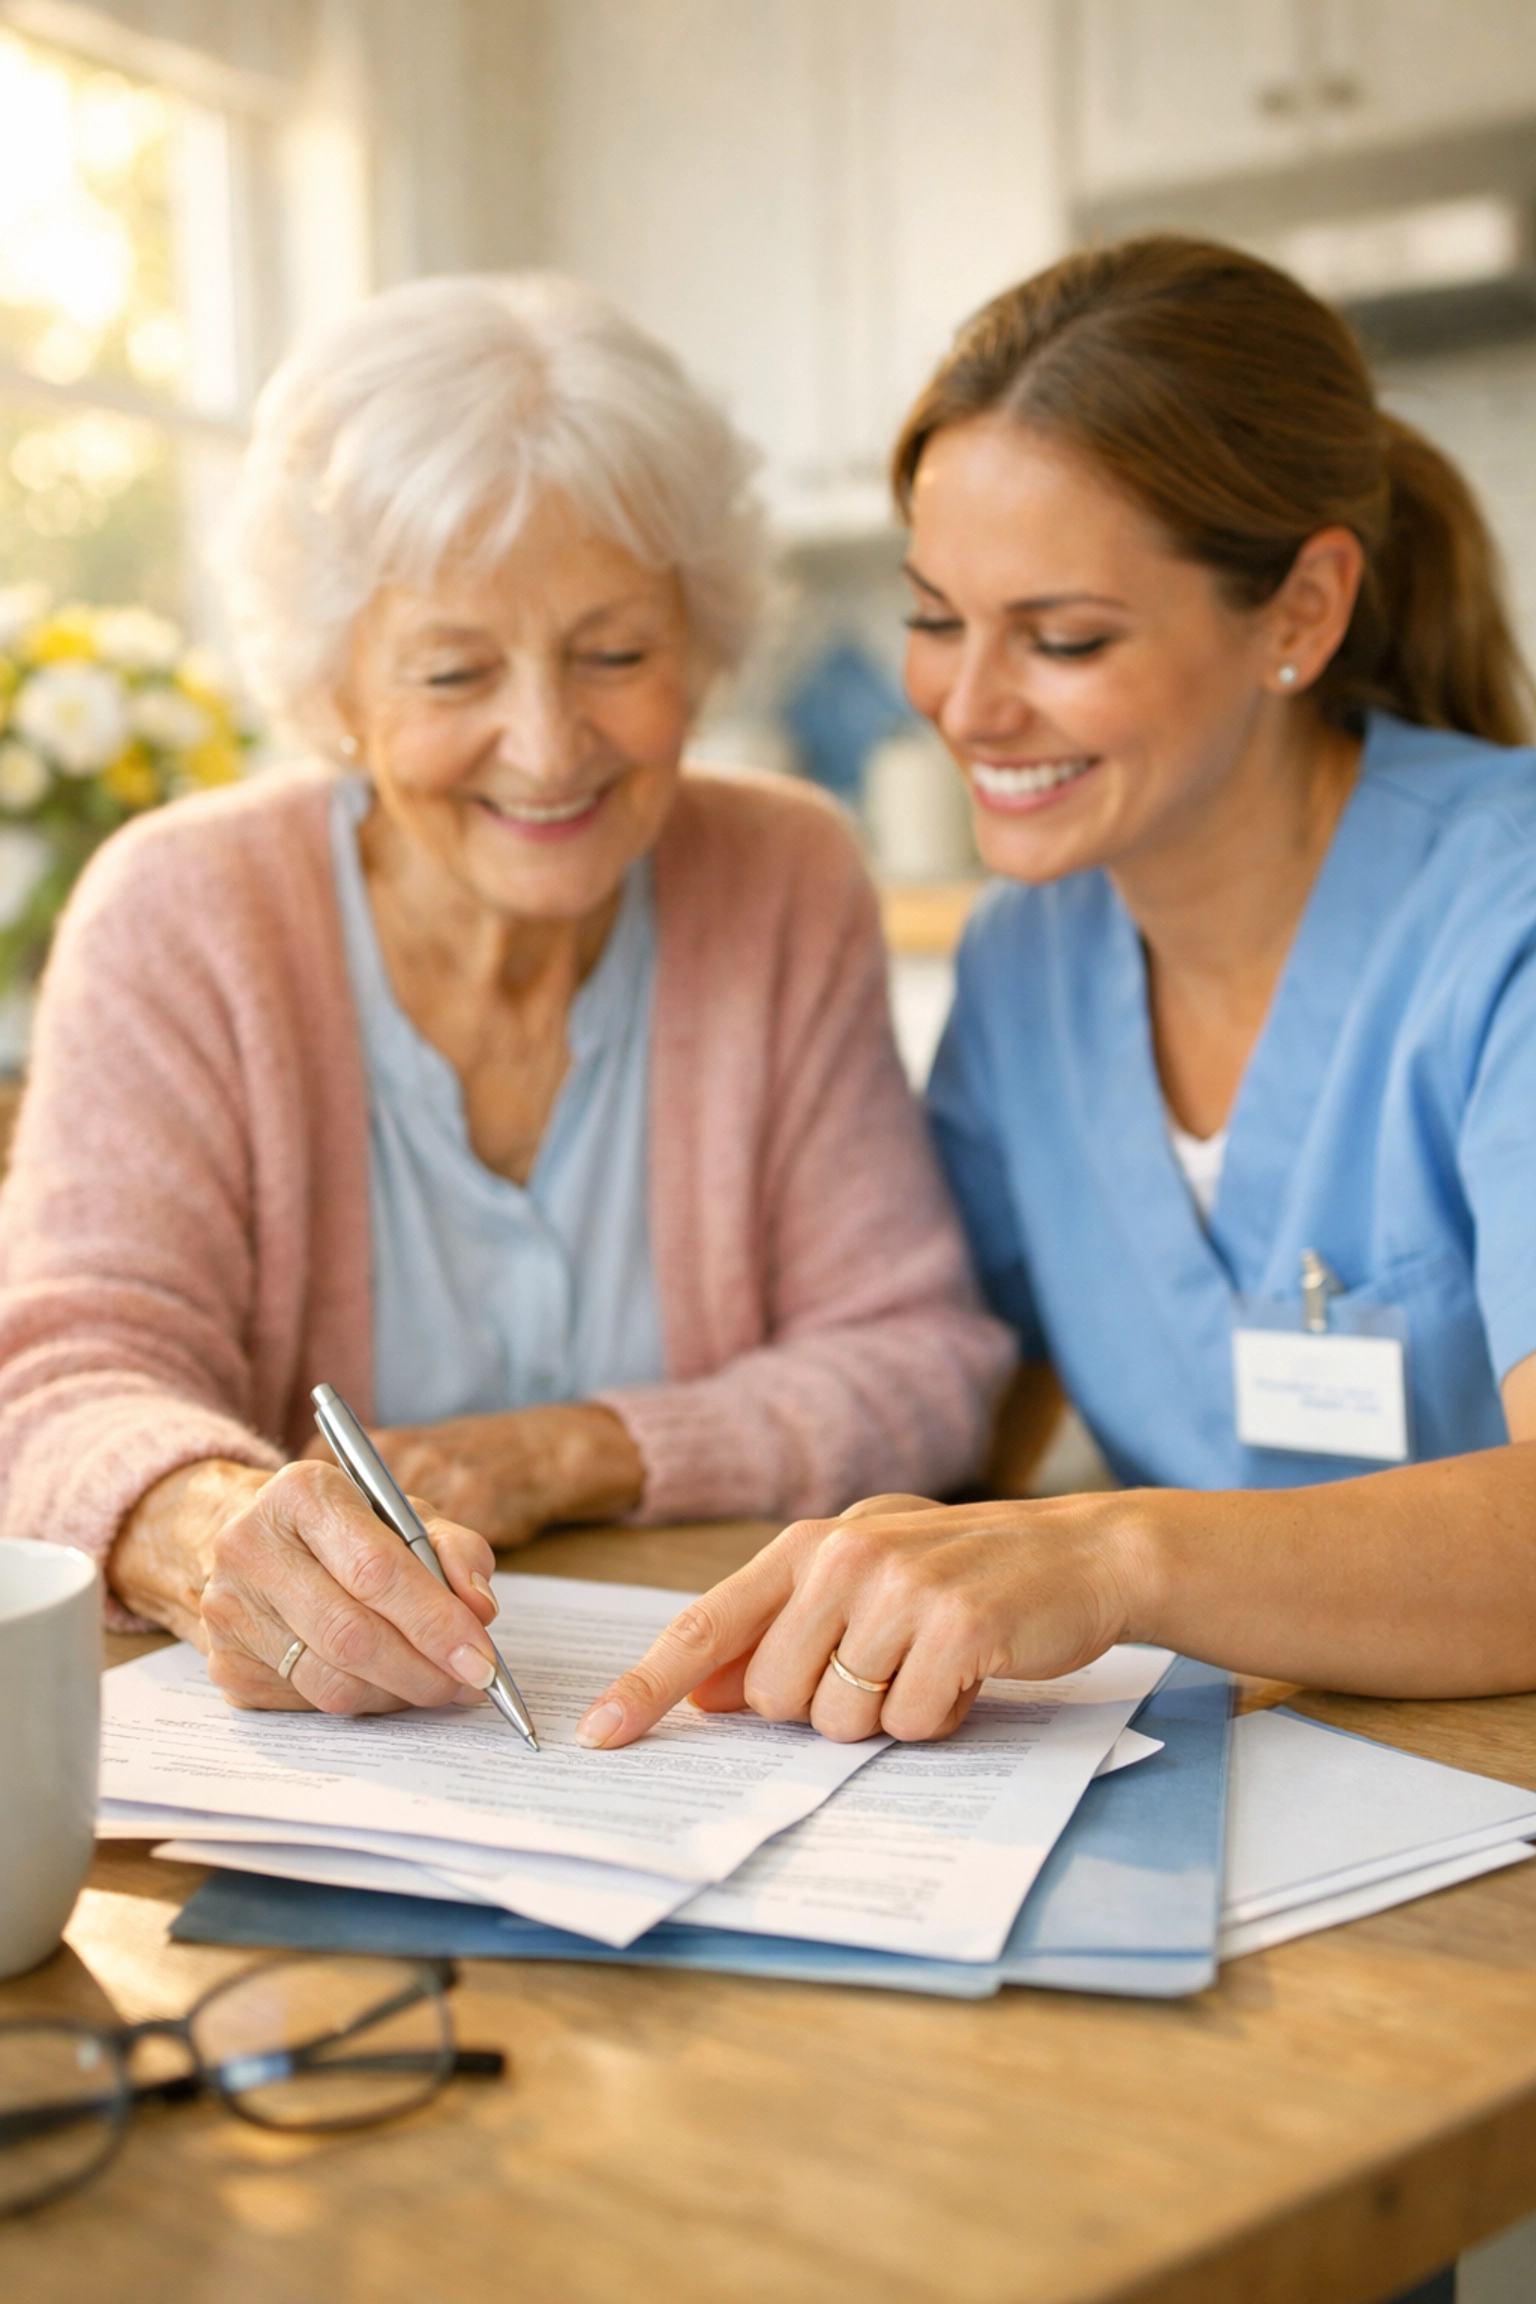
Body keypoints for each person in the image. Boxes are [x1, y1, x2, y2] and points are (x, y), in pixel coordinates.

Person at [575, 234, 1536, 1766]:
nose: (971, 704)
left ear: (1300, 612)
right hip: (1217, 1793)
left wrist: (1112, 1558)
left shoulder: (1507, 907)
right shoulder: (1030, 965)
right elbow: (954, 1386)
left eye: (1066, 638)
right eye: (939, 619)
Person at [0, 271, 1010, 1716]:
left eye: (615, 654)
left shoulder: (786, 874)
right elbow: (55, 1388)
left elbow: (922, 1362)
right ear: (335, 687)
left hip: (703, 1728)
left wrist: (569, 1449)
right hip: (326, 1767)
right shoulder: (182, 912)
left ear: (701, 641)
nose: (547, 748)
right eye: (454, 668)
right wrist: (209, 1527)